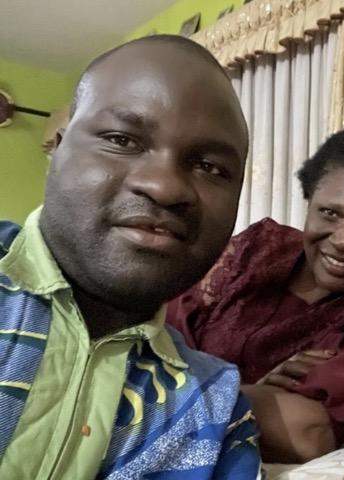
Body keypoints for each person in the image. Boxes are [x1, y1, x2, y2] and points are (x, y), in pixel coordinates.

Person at [0, 35, 261, 479]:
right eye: (122, 140)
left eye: (211, 168)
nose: (165, 186)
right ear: (57, 149)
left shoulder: (218, 411)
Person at [168, 126, 344, 462]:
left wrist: (175, 396)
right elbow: (163, 337)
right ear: (309, 204)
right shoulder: (257, 247)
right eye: (330, 213)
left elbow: (309, 433)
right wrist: (251, 392)